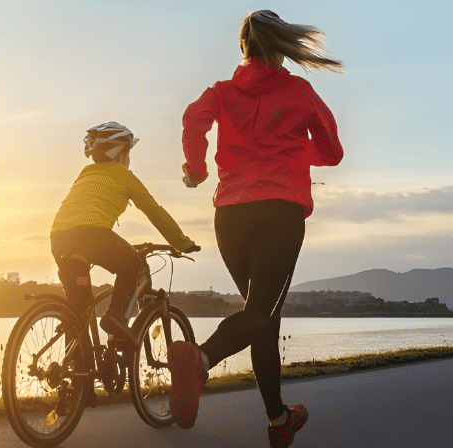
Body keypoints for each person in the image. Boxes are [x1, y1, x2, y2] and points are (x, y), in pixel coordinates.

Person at [166, 10, 344, 448]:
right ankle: (200, 359)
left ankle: (278, 419)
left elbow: (193, 120)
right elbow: (332, 151)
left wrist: (196, 168)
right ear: (281, 47)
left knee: (262, 318)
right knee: (260, 314)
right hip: (278, 213)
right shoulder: (299, 91)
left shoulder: (223, 92)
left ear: (243, 49)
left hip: (229, 217)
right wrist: (297, 152)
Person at [51, 121, 200, 344]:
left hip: (60, 238)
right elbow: (155, 212)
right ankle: (116, 316)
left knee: (78, 311)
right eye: (128, 152)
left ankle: (77, 371)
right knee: (132, 263)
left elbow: (82, 212)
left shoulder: (85, 173)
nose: (129, 158)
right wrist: (181, 242)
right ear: (120, 152)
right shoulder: (124, 176)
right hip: (92, 236)